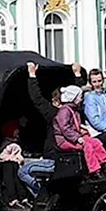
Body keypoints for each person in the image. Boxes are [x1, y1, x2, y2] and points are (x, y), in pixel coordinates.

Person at [17, 62, 84, 200]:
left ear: (56, 102)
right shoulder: (74, 112)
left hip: (55, 157)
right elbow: (78, 94)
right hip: (72, 157)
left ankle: (40, 196)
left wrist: (31, 75)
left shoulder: (54, 113)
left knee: (22, 171)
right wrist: (77, 74)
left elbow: (37, 99)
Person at [54, 85, 106, 174]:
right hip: (64, 140)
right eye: (80, 97)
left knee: (95, 142)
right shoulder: (64, 111)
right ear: (74, 98)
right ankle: (94, 169)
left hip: (73, 136)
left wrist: (82, 130)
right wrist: (77, 138)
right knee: (87, 146)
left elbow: (75, 125)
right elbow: (65, 128)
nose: (81, 99)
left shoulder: (73, 109)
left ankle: (104, 163)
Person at [83, 68, 106, 135]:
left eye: (99, 81)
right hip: (97, 132)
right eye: (94, 82)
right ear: (90, 83)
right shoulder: (90, 97)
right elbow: (95, 121)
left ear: (103, 81)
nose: (97, 84)